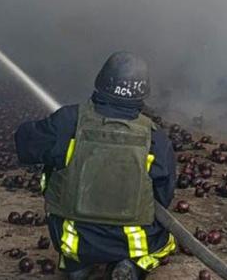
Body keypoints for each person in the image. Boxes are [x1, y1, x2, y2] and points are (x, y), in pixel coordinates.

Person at [15, 52, 176, 280]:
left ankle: (76, 266)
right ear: (142, 94)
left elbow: (24, 145)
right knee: (166, 241)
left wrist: (51, 131)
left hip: (75, 237)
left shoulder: (68, 121)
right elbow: (163, 195)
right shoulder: (156, 139)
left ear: (100, 83)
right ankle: (132, 265)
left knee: (56, 173)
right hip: (130, 239)